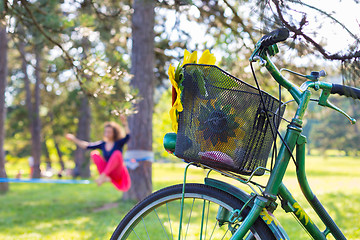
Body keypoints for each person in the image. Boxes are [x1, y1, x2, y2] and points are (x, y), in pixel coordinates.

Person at [65, 115, 131, 191]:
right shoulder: (103, 144)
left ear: (114, 133)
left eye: (109, 132)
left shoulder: (118, 143)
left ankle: (103, 177)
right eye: (106, 131)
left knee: (117, 154)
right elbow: (86, 146)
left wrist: (124, 123)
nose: (107, 133)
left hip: (117, 171)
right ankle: (104, 177)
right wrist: (73, 139)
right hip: (108, 172)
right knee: (94, 154)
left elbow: (128, 137)